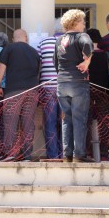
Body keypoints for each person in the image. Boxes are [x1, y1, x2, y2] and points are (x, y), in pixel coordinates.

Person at [54, 9, 94, 163]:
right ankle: (79, 155)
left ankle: (67, 155)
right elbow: (88, 46)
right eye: (83, 21)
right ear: (76, 22)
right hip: (78, 82)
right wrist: (87, 61)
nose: (84, 25)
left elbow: (55, 64)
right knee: (79, 119)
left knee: (66, 119)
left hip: (62, 83)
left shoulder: (59, 40)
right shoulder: (82, 36)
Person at [0, 29, 41, 161]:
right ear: (26, 38)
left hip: (13, 91)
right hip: (32, 91)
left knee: (10, 122)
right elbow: (38, 71)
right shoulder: (34, 52)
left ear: (14, 38)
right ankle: (27, 155)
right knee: (28, 123)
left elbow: (1, 67)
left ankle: (11, 154)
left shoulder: (9, 48)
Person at [86, 28, 109, 158]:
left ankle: (89, 151)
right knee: (106, 121)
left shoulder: (85, 56)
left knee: (86, 121)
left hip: (87, 92)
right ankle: (108, 151)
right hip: (104, 92)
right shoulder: (106, 55)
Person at [37, 19, 64, 160]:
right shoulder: (71, 43)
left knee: (50, 122)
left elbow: (38, 63)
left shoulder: (44, 42)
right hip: (66, 87)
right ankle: (65, 153)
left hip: (47, 87)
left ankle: (53, 155)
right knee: (65, 122)